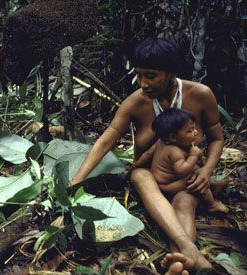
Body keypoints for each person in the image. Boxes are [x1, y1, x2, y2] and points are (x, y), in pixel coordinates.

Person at [71, 37, 224, 274]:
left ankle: (181, 262)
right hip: (151, 179)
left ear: (171, 71)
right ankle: (189, 250)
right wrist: (77, 180)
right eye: (139, 75)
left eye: (150, 75)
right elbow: (106, 141)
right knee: (140, 175)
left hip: (186, 179)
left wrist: (206, 171)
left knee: (184, 203)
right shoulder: (135, 102)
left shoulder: (200, 94)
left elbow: (216, 138)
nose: (142, 83)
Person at [133, 108, 229, 214]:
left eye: (194, 128)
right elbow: (181, 171)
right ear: (173, 137)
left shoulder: (160, 142)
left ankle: (214, 185)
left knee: (197, 170)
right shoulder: (175, 151)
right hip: (167, 187)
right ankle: (212, 204)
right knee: (194, 178)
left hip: (161, 182)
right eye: (190, 131)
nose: (196, 132)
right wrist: (193, 156)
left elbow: (147, 154)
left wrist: (137, 164)